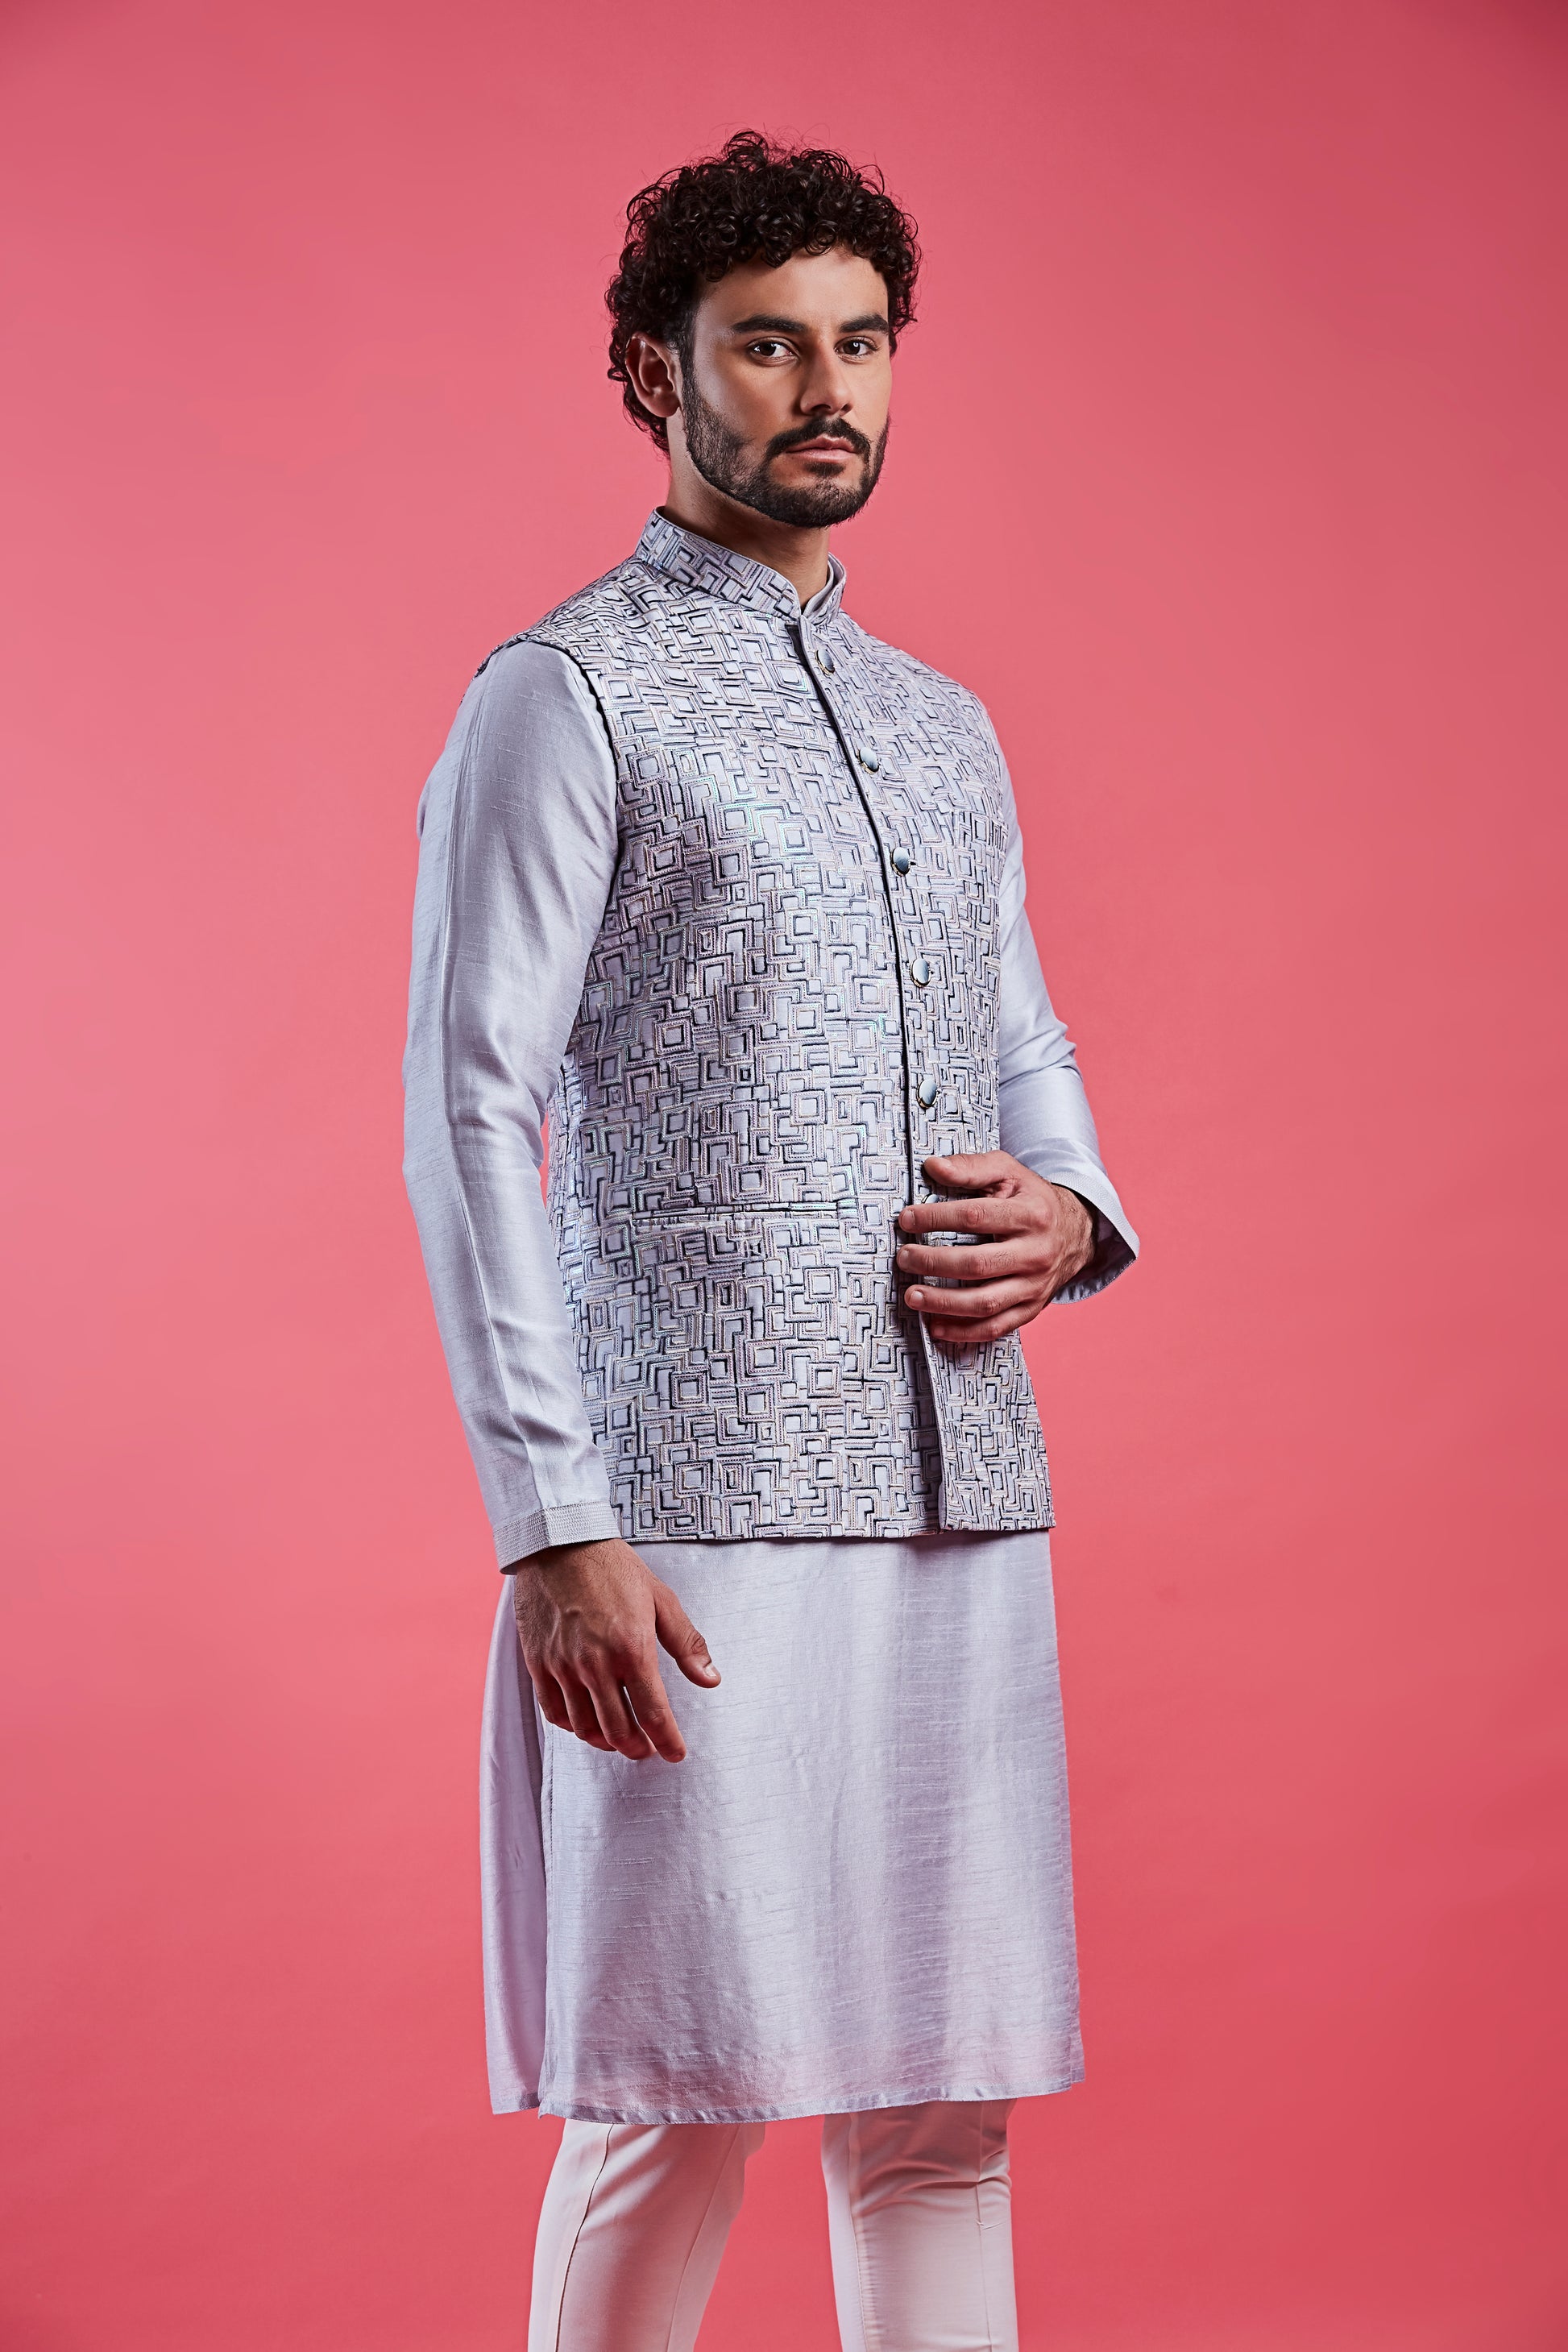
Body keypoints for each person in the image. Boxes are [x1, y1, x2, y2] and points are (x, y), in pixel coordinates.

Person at [403, 130, 1137, 2352]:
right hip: (686, 1520)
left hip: (957, 1488)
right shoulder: (565, 692)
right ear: (657, 371)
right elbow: (468, 1108)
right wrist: (553, 1523)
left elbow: (1025, 1041)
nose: (827, 389)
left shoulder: (942, 725)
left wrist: (1075, 1210)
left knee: (940, 2112)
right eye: (767, 345)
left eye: (862, 342)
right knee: (677, 2095)